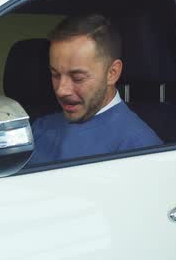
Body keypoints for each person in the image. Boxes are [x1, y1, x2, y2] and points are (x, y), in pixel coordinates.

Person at [28, 14, 162, 164]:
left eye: (77, 78)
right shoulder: (40, 128)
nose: (61, 90)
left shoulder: (139, 149)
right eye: (55, 75)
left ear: (112, 73)